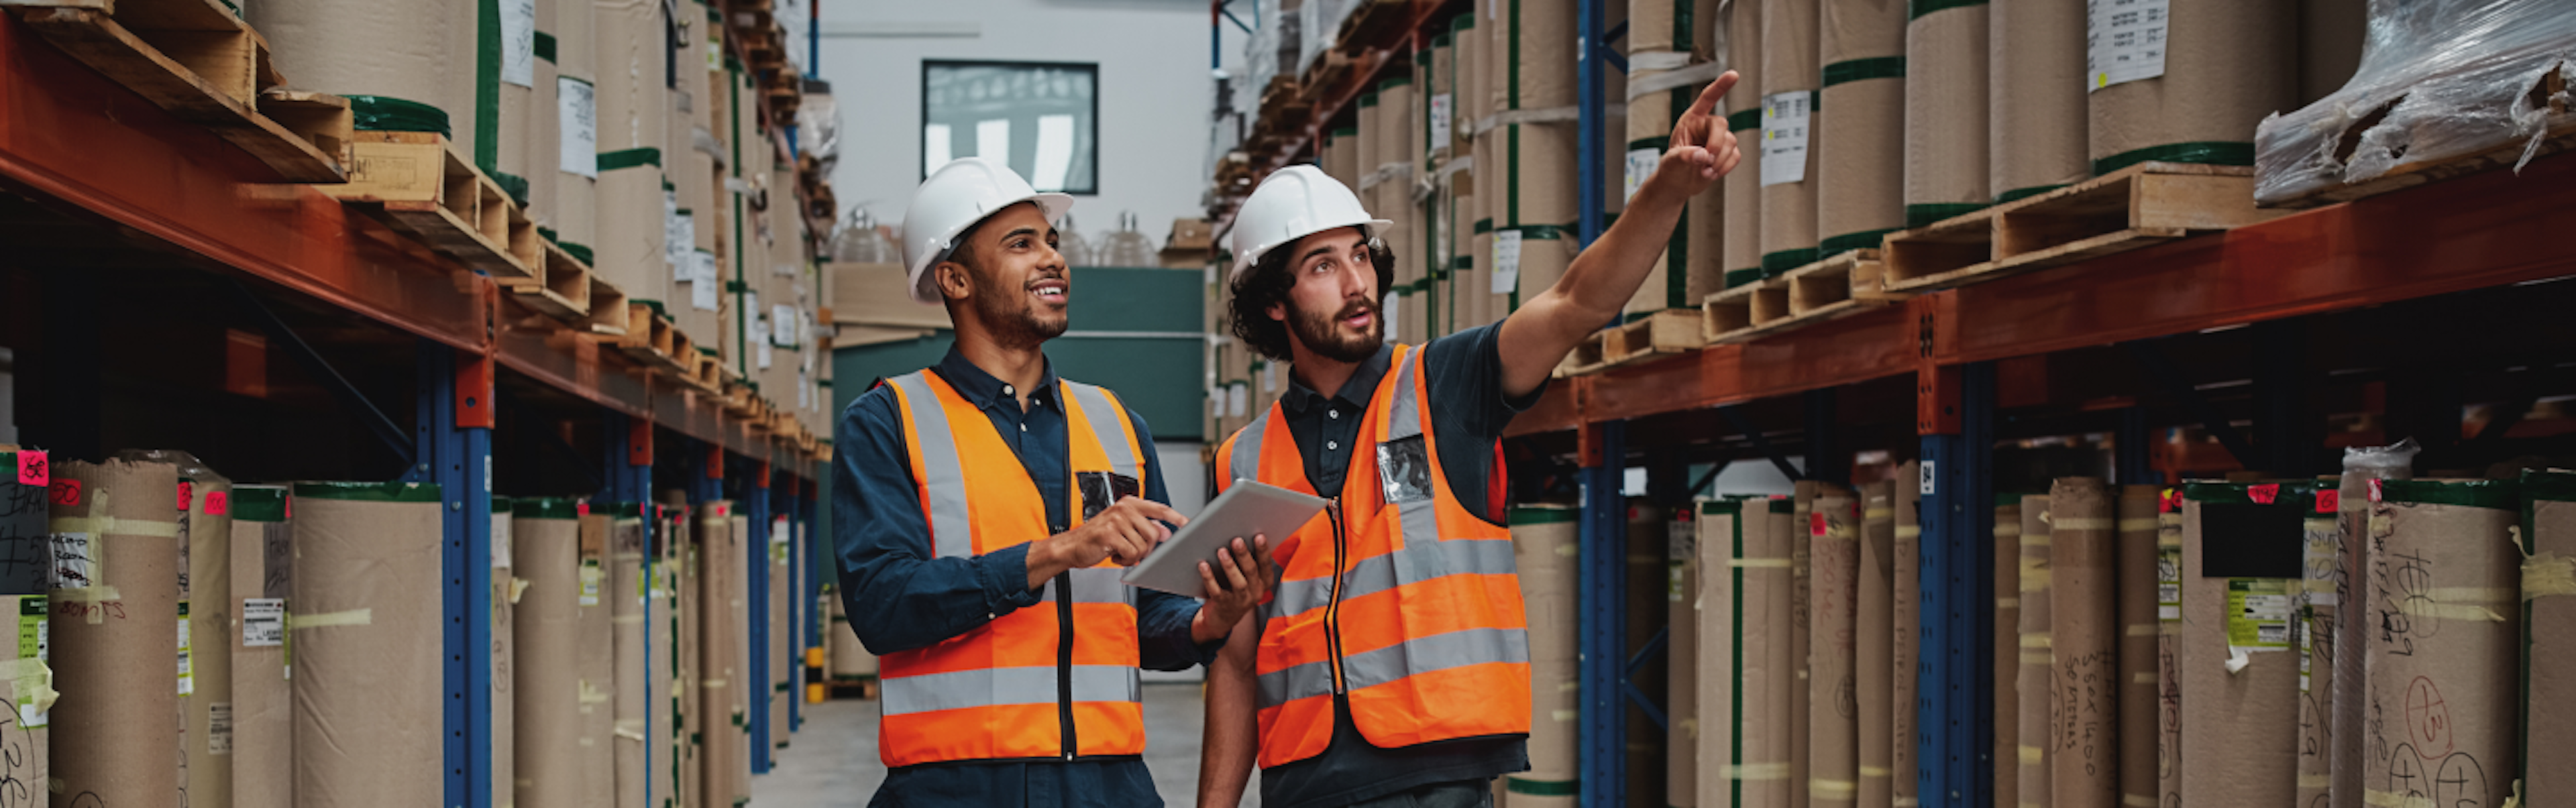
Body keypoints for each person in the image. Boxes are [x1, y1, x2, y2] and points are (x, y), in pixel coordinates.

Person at [1193, 73, 1744, 807]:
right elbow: (1235, 662)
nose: (1357, 282)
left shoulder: (1446, 384)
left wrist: (1666, 189)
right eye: (1323, 266)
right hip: (1303, 781)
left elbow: (1578, 300)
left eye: (1361, 256)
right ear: (1274, 300)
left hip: (1437, 774)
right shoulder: (1241, 459)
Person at [833, 157, 1276, 807]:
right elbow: (882, 603)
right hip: (954, 787)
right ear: (955, 278)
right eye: (1022, 244)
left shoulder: (1118, 423)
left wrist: (1210, 620)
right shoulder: (888, 421)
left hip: (1108, 783)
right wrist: (1058, 551)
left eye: (1053, 242)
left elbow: (1143, 614)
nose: (1053, 260)